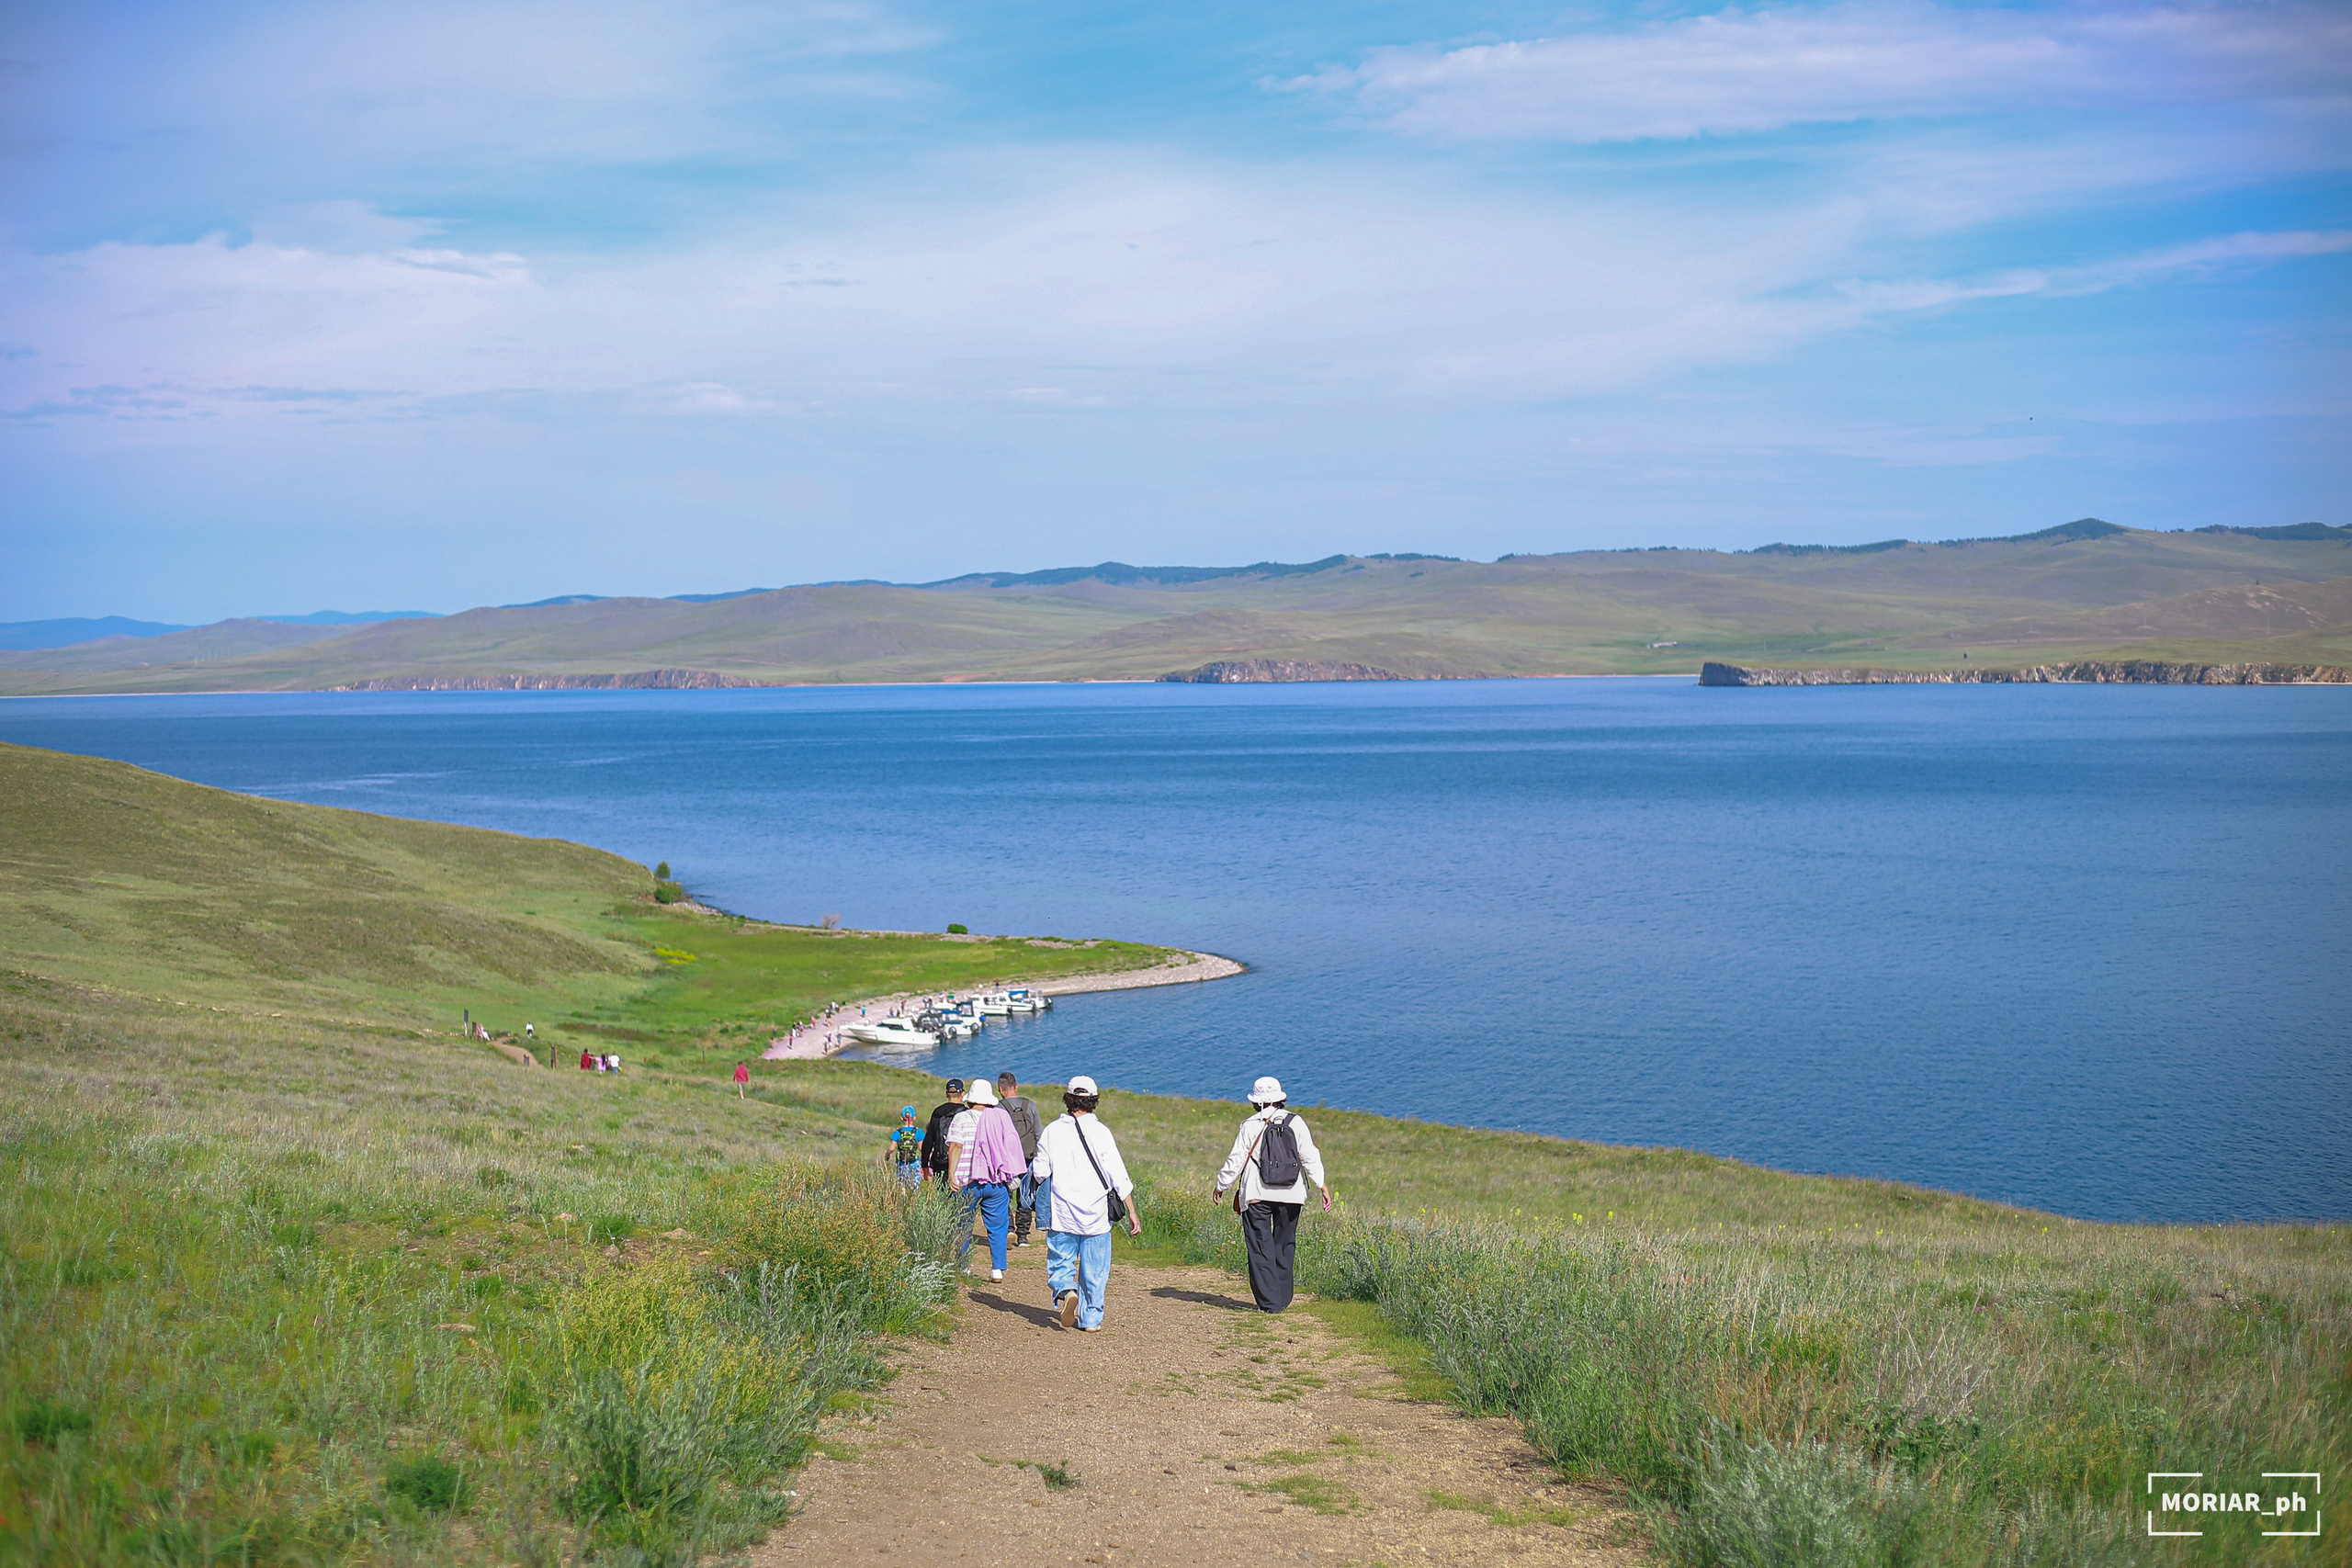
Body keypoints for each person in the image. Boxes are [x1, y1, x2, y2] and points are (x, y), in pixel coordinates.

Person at [1211, 1076, 1331, 1314]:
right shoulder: (1296, 1123)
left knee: (1260, 1247)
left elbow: (1236, 1159)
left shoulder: (1250, 1125)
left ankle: (1269, 1303)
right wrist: (1322, 1186)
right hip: (1291, 1194)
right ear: (1280, 1098)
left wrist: (1221, 1185)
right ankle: (1283, 1299)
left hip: (1257, 1194)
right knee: (1285, 1244)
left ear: (1256, 1101)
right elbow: (1310, 1156)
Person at [1030, 1076, 1140, 1331]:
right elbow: (1118, 1174)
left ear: (1068, 1100)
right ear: (1093, 1101)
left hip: (1062, 1210)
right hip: (1097, 1213)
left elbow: (1040, 1171)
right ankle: (1091, 1319)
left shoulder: (1052, 1131)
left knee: (1060, 1260)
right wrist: (1132, 1211)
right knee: (1095, 1270)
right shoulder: (1101, 1132)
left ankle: (1067, 1290)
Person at [944, 1080, 1025, 1280]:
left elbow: (955, 1146)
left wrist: (951, 1174)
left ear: (970, 1099)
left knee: (963, 1224)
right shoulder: (1000, 1117)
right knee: (998, 1226)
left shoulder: (961, 1118)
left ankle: (963, 1266)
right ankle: (997, 1268)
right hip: (996, 1180)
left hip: (967, 1180)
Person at [997, 1073, 1046, 1247]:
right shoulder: (1030, 1105)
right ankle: (1023, 1235)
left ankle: (1009, 1228)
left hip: (1007, 1159)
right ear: (1016, 1086)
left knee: (1005, 1194)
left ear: (1000, 1089)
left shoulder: (999, 1108)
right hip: (1028, 1157)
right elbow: (1039, 1134)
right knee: (1025, 1195)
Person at [921, 1080, 966, 1184]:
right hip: (960, 1163)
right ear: (962, 1093)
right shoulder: (965, 1113)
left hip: (940, 1163)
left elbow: (929, 1140)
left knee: (942, 1195)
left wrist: (924, 1165)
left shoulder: (938, 1112)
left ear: (946, 1094)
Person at [888, 1106, 925, 1188]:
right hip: (915, 1162)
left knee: (902, 1184)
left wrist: (887, 1155)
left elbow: (891, 1148)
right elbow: (921, 1148)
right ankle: (913, 1199)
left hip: (901, 1162)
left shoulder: (898, 1132)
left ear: (902, 1118)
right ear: (914, 1117)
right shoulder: (918, 1132)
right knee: (914, 1185)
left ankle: (903, 1199)